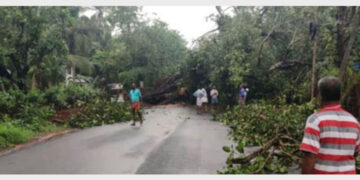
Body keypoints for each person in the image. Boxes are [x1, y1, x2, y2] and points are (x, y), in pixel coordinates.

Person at [300, 76, 360, 174]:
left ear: (320, 96)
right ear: (340, 95)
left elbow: (310, 156)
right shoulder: (353, 121)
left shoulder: (315, 120)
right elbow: (355, 152)